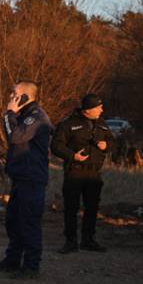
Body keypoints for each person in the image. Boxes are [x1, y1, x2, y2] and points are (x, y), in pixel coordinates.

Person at [0, 81, 53, 279]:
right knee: (14, 222)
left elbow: (15, 137)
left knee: (28, 223)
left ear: (24, 97)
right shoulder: (24, 116)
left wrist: (9, 113)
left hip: (32, 179)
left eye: (14, 94)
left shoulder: (36, 117)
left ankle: (31, 267)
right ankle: (12, 260)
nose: (10, 97)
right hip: (20, 178)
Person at [51, 94, 112, 254]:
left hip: (94, 174)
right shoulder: (68, 125)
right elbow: (56, 146)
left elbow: (113, 143)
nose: (102, 109)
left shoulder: (102, 124)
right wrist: (73, 156)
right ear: (88, 110)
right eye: (99, 107)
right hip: (75, 172)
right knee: (72, 208)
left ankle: (88, 240)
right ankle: (70, 242)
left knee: (92, 207)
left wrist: (106, 145)